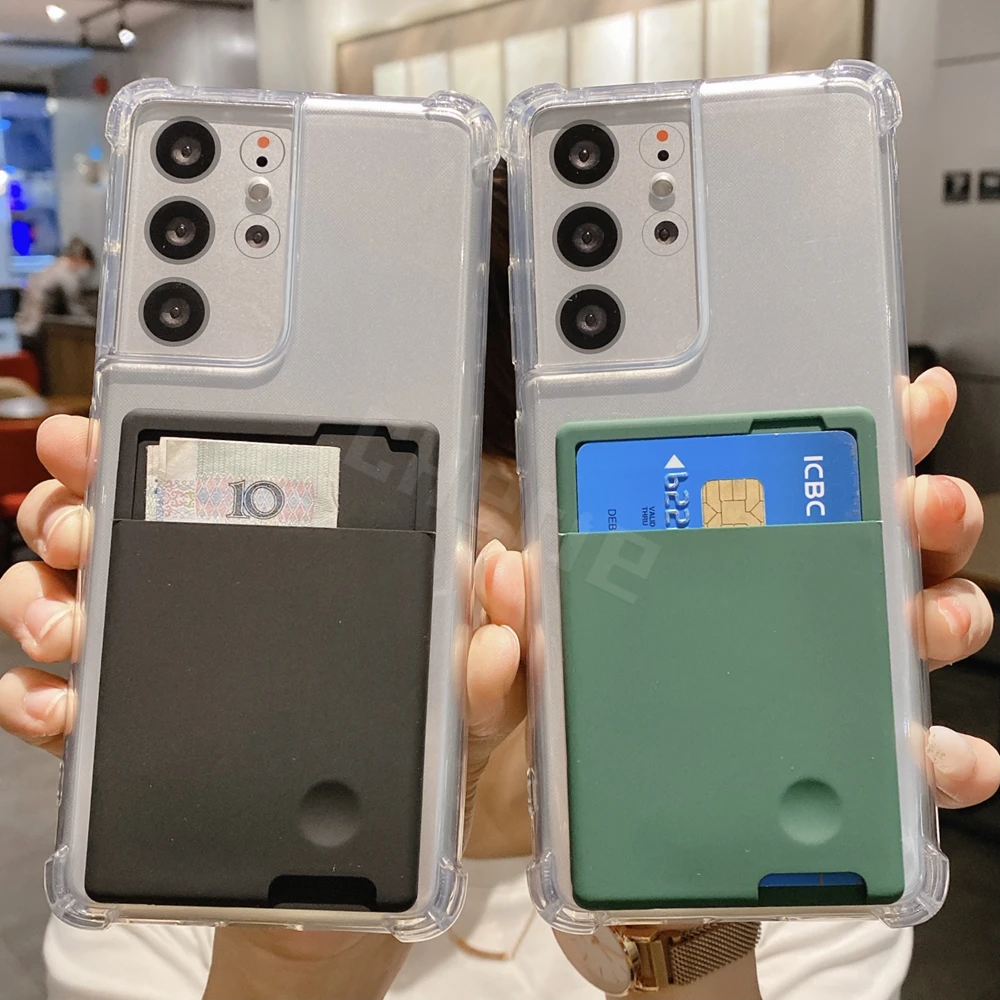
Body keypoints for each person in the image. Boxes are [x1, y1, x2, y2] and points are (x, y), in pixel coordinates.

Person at [0, 168, 996, 1000]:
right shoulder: (179, 840)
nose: (506, 555)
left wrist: (684, 947)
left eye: (533, 475)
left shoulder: (792, 825)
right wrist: (291, 959)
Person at [14, 237, 96, 392]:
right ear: (80, 259)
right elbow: (74, 308)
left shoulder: (48, 269)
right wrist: (95, 324)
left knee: (35, 375)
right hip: (39, 331)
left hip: (24, 328)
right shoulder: (65, 275)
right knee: (48, 379)